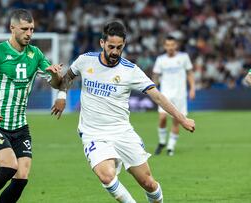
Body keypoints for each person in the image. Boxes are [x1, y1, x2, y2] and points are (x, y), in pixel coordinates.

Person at [51, 21, 195, 203]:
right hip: (93, 133)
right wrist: (62, 95)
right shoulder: (84, 60)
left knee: (148, 183)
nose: (115, 52)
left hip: (122, 132)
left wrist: (182, 119)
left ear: (124, 45)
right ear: (102, 43)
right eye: (111, 47)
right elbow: (66, 78)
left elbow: (157, 96)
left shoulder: (130, 70)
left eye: (119, 48)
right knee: (107, 176)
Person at [0, 9, 61, 203]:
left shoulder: (35, 54)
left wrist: (54, 75)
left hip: (20, 125)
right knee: (10, 166)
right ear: (12, 28)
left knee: (22, 176)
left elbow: (55, 82)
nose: (29, 33)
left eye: (32, 29)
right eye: (25, 29)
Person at [152, 36, 195, 156]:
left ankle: (170, 147)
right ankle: (161, 142)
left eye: (172, 45)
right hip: (165, 94)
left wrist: (192, 88)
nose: (170, 47)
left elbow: (190, 73)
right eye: (168, 45)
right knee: (162, 118)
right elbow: (155, 76)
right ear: (165, 46)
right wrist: (153, 88)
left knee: (177, 121)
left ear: (176, 45)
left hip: (180, 94)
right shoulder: (160, 59)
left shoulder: (183, 57)